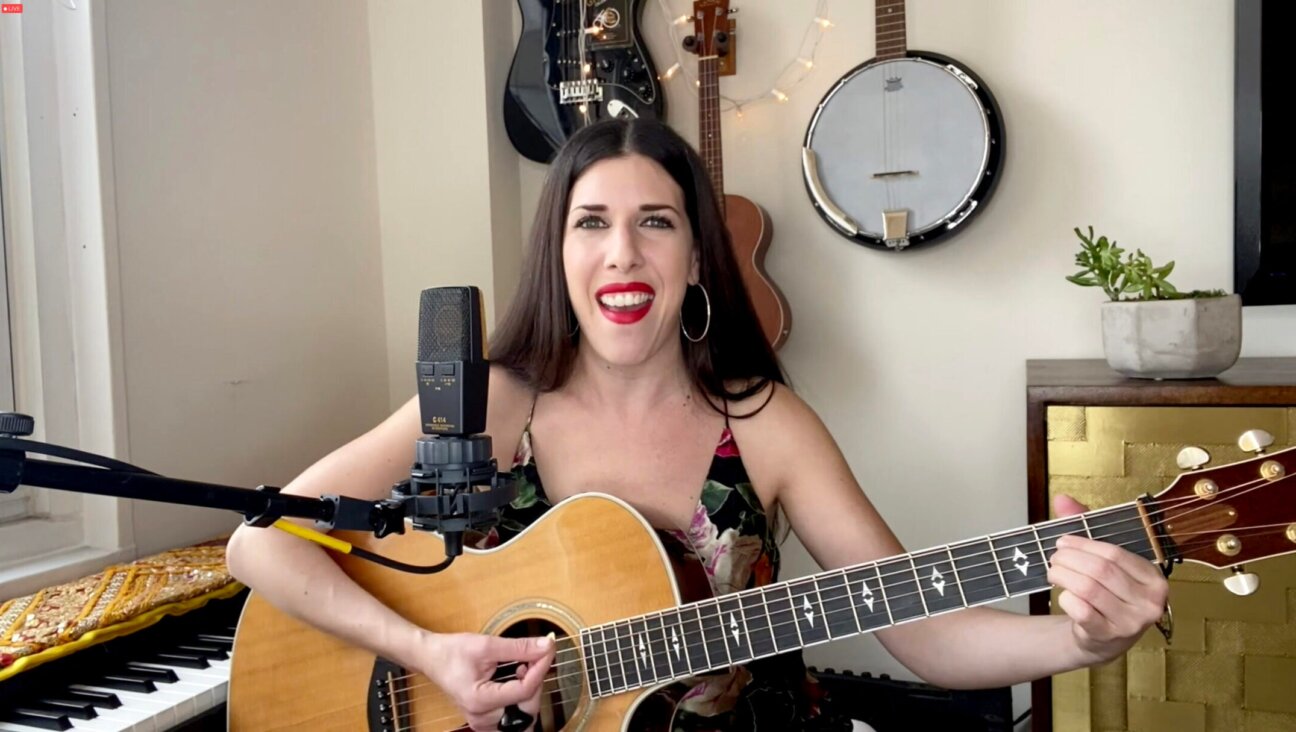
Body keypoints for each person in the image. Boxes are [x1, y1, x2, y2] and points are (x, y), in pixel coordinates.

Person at [226, 118, 1169, 731]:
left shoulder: (766, 426)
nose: (622, 253)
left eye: (657, 223)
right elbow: (258, 544)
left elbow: (924, 634)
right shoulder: (491, 399)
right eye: (590, 223)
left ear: (697, 257)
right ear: (557, 254)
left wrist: (1082, 642)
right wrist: (429, 653)